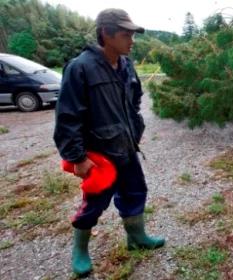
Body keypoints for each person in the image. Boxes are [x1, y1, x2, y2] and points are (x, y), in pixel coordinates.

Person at [53, 8, 165, 277]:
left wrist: (134, 125)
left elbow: (135, 97)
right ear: (106, 34)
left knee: (136, 192)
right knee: (94, 203)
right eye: (126, 34)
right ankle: (79, 251)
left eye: (132, 34)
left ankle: (136, 238)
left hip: (126, 147)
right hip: (99, 155)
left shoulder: (127, 64)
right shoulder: (80, 68)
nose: (132, 39)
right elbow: (67, 117)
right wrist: (77, 157)